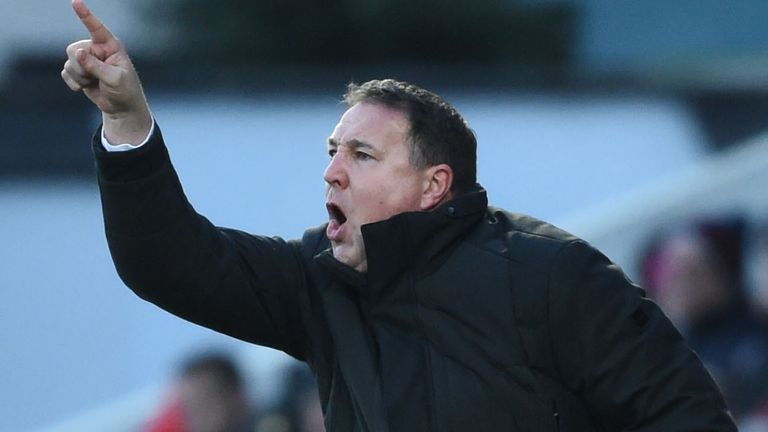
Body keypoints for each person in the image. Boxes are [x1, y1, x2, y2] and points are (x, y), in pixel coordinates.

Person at [61, 0, 736, 430]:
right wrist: (127, 119)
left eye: (361, 153)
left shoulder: (558, 276)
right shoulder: (318, 280)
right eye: (332, 151)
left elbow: (686, 418)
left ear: (433, 184)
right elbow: (170, 262)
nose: (332, 170)